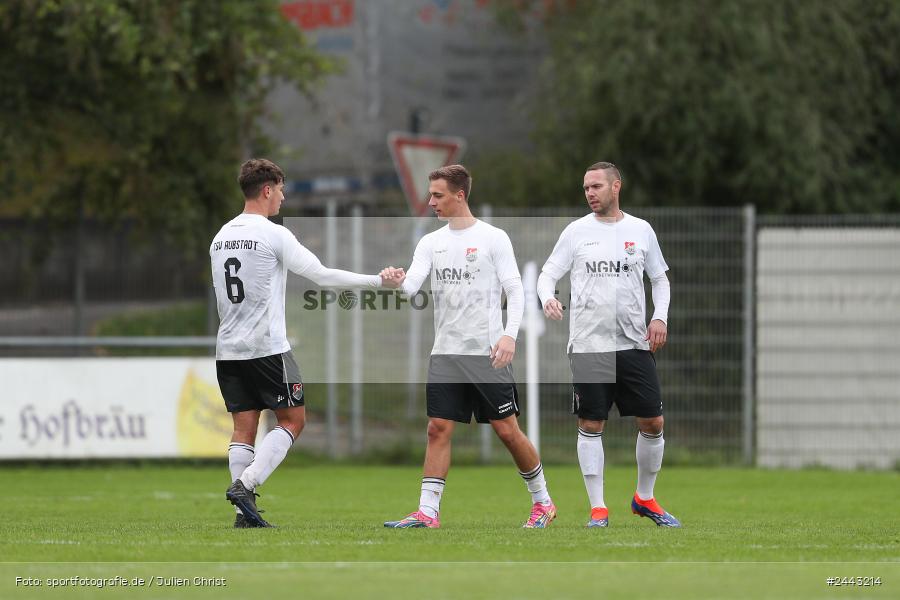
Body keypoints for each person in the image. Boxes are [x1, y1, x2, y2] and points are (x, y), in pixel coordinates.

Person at [212, 158, 402, 528]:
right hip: (266, 348)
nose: (282, 197)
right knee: (294, 419)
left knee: (243, 428)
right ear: (267, 189)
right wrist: (379, 282)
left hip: (228, 348)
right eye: (281, 190)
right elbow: (322, 276)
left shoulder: (221, 236)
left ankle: (243, 516)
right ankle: (245, 486)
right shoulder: (273, 234)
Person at [381, 164, 556, 529]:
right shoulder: (430, 242)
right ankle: (428, 512)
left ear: (460, 195)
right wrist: (394, 281)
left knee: (507, 431)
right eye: (430, 194)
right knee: (437, 429)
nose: (431, 202)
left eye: (438, 195)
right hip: (445, 353)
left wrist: (510, 336)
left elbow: (514, 290)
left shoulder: (494, 238)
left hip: (487, 353)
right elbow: (411, 287)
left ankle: (543, 503)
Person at [537, 161, 680, 528]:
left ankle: (644, 498)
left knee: (653, 421)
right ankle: (598, 508)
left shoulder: (641, 230)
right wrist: (547, 297)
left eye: (596, 186)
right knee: (591, 423)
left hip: (633, 343)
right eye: (586, 187)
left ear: (616, 187)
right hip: (589, 345)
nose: (589, 193)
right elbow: (548, 274)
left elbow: (660, 280)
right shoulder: (576, 232)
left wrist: (659, 317)